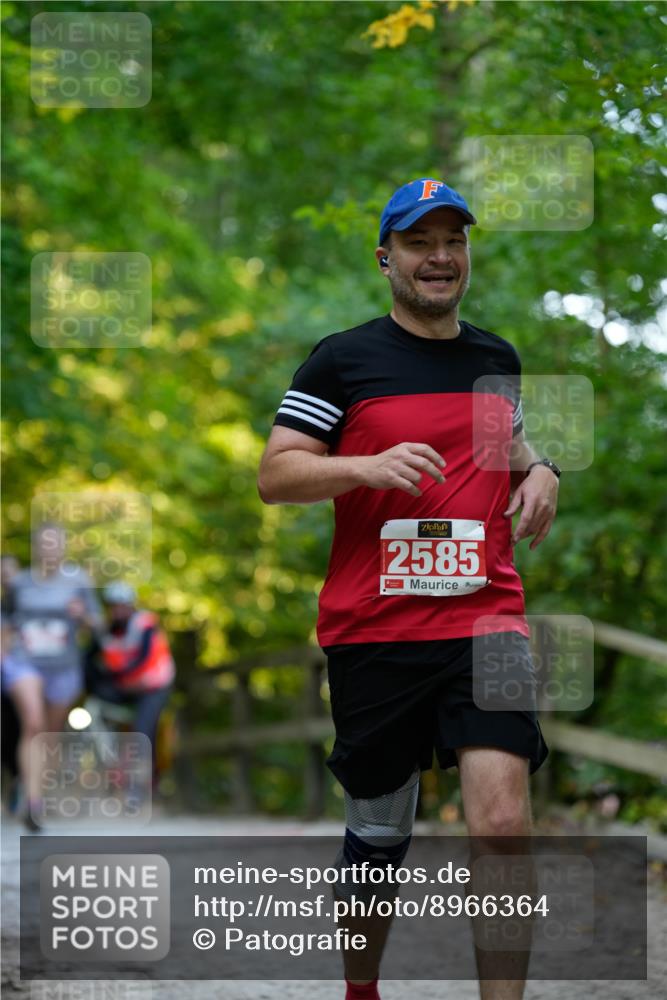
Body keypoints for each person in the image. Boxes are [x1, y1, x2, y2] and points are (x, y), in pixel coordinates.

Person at [258, 178, 560, 1000]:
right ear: (385, 256)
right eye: (420, 243)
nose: (439, 258)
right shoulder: (341, 359)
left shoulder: (495, 358)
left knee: (501, 825)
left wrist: (541, 472)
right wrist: (363, 465)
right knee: (379, 830)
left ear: (466, 254)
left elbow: (511, 443)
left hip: (485, 617)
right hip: (375, 629)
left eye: (452, 241)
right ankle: (362, 990)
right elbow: (276, 475)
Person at [6, 525, 103, 829]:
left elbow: (98, 625)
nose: (50, 550)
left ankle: (35, 793)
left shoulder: (78, 581)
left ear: (63, 548)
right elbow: (5, 618)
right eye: (44, 545)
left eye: (55, 544)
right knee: (32, 723)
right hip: (25, 663)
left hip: (64, 666)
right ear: (36, 549)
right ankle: (32, 803)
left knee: (49, 734)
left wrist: (82, 615)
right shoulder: (19, 583)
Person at [85, 582, 175, 790]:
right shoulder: (107, 631)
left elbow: (142, 659)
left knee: (143, 729)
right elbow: (88, 659)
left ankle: (145, 785)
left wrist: (113, 674)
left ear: (131, 606)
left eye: (122, 606)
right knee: (95, 708)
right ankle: (110, 767)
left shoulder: (144, 625)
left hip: (153, 687)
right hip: (126, 687)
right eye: (113, 606)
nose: (118, 611)